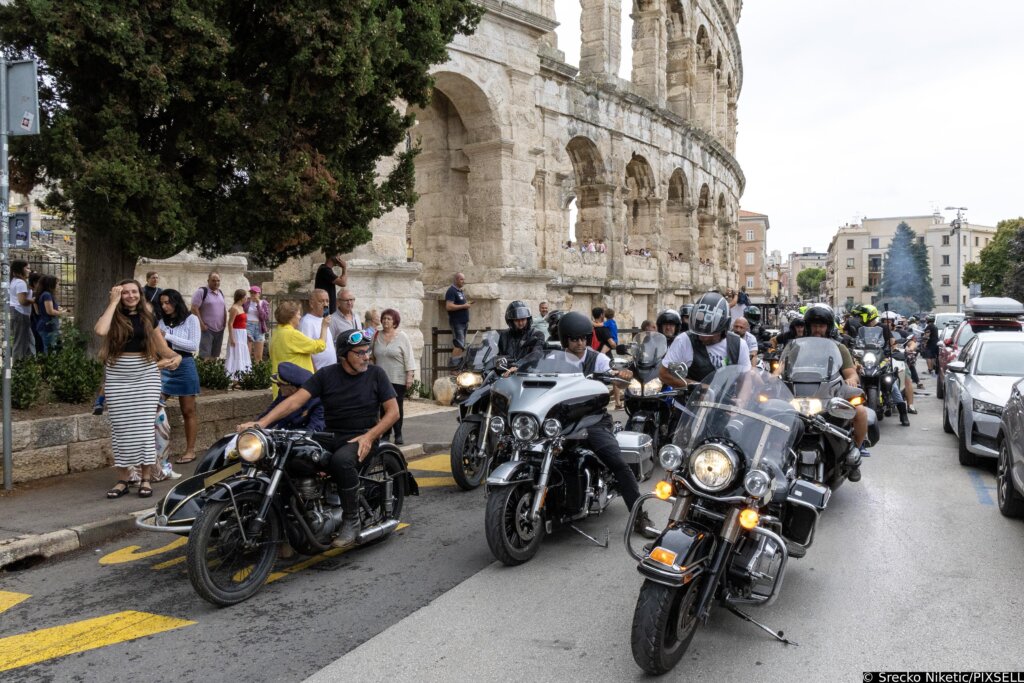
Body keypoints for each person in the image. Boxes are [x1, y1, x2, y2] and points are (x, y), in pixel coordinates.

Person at [240, 329, 399, 548]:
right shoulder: (326, 375)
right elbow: (295, 401)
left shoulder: (376, 375)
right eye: (359, 353)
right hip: (329, 434)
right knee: (290, 455)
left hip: (361, 436)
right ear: (344, 355)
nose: (366, 357)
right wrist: (262, 424)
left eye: (367, 352)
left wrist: (370, 437)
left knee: (341, 462)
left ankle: (351, 520)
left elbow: (393, 412)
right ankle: (290, 520)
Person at [533, 312, 655, 537]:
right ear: (565, 340)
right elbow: (535, 375)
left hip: (593, 419)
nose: (580, 343)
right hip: (559, 421)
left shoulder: (596, 359)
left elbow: (615, 377)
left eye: (583, 338)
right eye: (574, 339)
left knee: (618, 463)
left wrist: (623, 375)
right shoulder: (552, 360)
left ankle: (640, 517)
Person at [95, 280, 182, 499]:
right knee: (121, 430)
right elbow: (100, 330)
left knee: (144, 430)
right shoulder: (113, 316)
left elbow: (162, 348)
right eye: (125, 292)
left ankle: (145, 478)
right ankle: (123, 479)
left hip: (145, 376)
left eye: (134, 292)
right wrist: (113, 301)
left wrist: (176, 356)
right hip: (118, 376)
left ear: (140, 294)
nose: (130, 296)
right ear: (118, 294)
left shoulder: (148, 317)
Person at [799, 304, 868, 480]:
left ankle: (854, 454)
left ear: (828, 328)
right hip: (800, 393)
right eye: (814, 325)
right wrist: (772, 378)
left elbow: (851, 372)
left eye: (821, 326)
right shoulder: (798, 347)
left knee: (860, 411)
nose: (817, 329)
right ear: (808, 326)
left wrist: (852, 379)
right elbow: (781, 369)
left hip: (830, 395)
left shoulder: (839, 348)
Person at [156, 289, 202, 466]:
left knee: (188, 410)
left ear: (176, 302)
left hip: (185, 365)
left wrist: (167, 335)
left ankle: (190, 451)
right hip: (165, 365)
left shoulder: (191, 320)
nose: (165, 306)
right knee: (154, 404)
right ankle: (157, 450)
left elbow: (193, 346)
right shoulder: (160, 321)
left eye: (168, 302)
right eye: (162, 303)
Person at [372, 308, 417, 444]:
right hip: (381, 379)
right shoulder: (376, 335)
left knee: (397, 407)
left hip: (397, 378)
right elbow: (371, 354)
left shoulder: (402, 336)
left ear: (395, 322)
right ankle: (385, 434)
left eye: (389, 319)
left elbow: (409, 357)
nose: (386, 321)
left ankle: (398, 434)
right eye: (384, 318)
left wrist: (409, 376)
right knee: (382, 408)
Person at [269, 300, 329, 398]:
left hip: (280, 386)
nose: (300, 317)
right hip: (295, 387)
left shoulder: (276, 333)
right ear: (291, 317)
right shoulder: (292, 334)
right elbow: (320, 346)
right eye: (298, 314)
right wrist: (324, 326)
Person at [257, 362, 325, 431]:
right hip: (282, 436)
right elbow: (270, 414)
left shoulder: (318, 400)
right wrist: (256, 426)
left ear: (292, 389)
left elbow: (315, 429)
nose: (279, 388)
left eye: (279, 384)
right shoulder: (284, 394)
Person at [299, 289, 338, 370]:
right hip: (318, 371)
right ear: (312, 304)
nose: (325, 305)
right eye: (321, 301)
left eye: (327, 301)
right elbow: (306, 351)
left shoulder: (324, 319)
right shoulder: (307, 322)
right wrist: (314, 371)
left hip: (331, 369)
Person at [191, 271, 227, 358]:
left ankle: (212, 372)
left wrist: (224, 323)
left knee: (215, 355)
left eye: (218, 281)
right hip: (207, 330)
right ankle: (203, 372)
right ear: (208, 281)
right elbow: (194, 308)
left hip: (219, 330)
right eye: (213, 280)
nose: (216, 283)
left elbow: (223, 308)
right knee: (205, 355)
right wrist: (201, 325)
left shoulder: (220, 292)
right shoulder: (202, 292)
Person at [498, 301, 546, 366]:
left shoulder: (537, 334)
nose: (520, 323)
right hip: (506, 372)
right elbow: (500, 357)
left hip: (528, 372)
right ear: (511, 321)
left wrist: (519, 365)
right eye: (517, 320)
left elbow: (536, 354)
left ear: (527, 319)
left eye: (523, 319)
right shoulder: (504, 335)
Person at [8, 260, 35, 360]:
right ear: (20, 269)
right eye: (27, 268)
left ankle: (29, 362)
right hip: (20, 313)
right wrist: (33, 301)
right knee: (20, 342)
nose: (29, 270)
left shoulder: (15, 281)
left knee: (29, 340)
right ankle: (18, 367)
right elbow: (22, 301)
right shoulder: (20, 283)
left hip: (20, 313)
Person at [225, 289, 253, 380]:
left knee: (241, 354)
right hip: (236, 333)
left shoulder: (241, 307)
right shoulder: (234, 308)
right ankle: (234, 378)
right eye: (245, 296)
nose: (247, 298)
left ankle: (242, 376)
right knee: (236, 354)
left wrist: (247, 334)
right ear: (241, 297)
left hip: (242, 333)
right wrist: (232, 338)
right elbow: (230, 323)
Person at [445, 272, 472, 364]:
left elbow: (460, 304)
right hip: (457, 322)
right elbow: (449, 306)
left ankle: (457, 366)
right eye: (461, 279)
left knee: (461, 345)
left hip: (464, 322)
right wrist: (464, 306)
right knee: (458, 344)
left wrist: (466, 304)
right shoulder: (451, 291)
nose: (463, 281)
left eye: (464, 279)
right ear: (456, 280)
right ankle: (453, 368)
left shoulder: (460, 291)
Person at [33, 274, 63, 353]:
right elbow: (50, 311)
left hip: (45, 325)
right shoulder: (47, 295)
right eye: (57, 283)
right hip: (48, 327)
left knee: (49, 348)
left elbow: (39, 311)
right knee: (50, 350)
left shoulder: (44, 294)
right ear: (51, 284)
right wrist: (62, 313)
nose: (58, 285)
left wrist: (57, 309)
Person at [245, 285, 270, 363]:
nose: (253, 294)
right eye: (251, 293)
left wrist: (258, 305)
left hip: (259, 327)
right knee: (246, 354)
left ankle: (257, 373)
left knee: (258, 356)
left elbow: (264, 317)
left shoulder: (263, 303)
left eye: (255, 293)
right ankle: (247, 373)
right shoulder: (246, 302)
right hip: (248, 326)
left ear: (259, 294)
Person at [27, 271, 44, 353]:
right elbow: (37, 312)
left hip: (35, 321)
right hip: (36, 321)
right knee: (39, 344)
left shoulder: (36, 294)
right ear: (34, 283)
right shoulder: (35, 295)